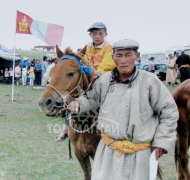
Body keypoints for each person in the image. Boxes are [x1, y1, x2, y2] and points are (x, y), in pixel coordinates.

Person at [68, 39, 178, 179]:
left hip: (140, 154)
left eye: (128, 55)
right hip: (108, 152)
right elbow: (91, 99)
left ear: (137, 56)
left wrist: (162, 141)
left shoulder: (150, 82)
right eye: (119, 56)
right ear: (113, 57)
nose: (124, 60)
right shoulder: (104, 81)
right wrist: (78, 104)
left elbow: (169, 111)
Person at [56, 22, 116, 142]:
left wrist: (98, 73)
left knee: (109, 97)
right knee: (73, 96)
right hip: (89, 76)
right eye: (94, 34)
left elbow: (108, 62)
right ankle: (66, 127)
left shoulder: (109, 47)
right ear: (90, 35)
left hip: (104, 76)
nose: (97, 36)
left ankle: (111, 126)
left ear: (106, 34)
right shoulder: (87, 47)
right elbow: (83, 60)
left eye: (100, 33)